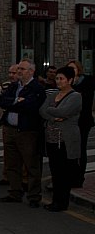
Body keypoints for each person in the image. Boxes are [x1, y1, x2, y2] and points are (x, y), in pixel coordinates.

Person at [0, 59, 46, 207]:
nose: (19, 71)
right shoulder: (13, 86)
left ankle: (33, 196)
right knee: (12, 164)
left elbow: (30, 106)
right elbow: (1, 101)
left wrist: (14, 103)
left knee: (31, 165)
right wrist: (16, 101)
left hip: (27, 132)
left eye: (22, 69)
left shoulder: (37, 88)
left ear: (31, 71)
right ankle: (15, 192)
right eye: (18, 68)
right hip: (10, 129)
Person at [39, 66, 82, 212]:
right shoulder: (52, 95)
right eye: (57, 78)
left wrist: (52, 111)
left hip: (65, 140)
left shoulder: (75, 96)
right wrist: (55, 116)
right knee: (55, 171)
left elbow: (64, 111)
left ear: (70, 80)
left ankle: (62, 202)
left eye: (61, 78)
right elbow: (42, 110)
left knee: (64, 172)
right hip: (51, 139)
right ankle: (55, 200)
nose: (58, 81)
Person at [67, 59, 94, 188]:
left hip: (83, 121)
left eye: (73, 68)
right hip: (69, 121)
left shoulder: (87, 81)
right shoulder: (67, 83)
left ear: (78, 70)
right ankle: (70, 175)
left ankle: (79, 177)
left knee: (80, 149)